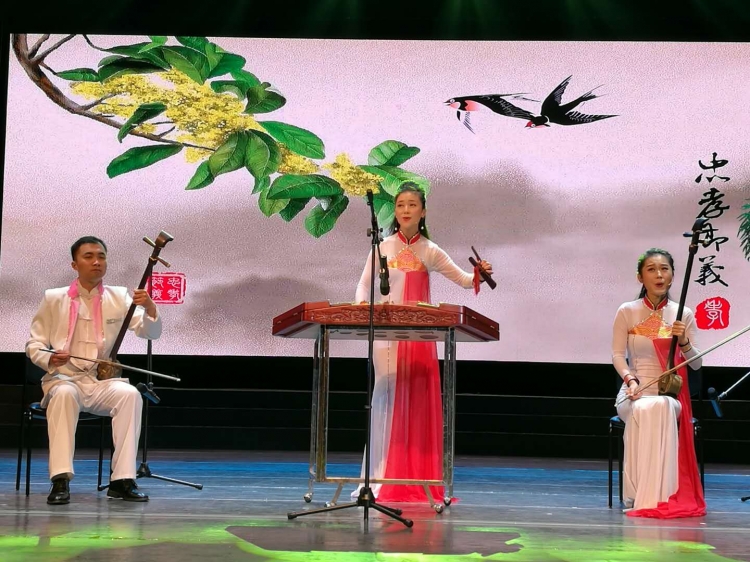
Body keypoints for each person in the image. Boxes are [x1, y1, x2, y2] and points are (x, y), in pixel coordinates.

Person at [351, 182, 493, 503]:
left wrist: (479, 274)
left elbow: (464, 279)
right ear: (395, 211)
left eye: (412, 205)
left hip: (418, 338)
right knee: (385, 400)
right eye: (400, 204)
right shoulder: (382, 247)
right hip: (385, 337)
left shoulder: (430, 250)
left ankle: (413, 477)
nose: (405, 210)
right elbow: (362, 285)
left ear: (423, 211)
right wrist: (362, 309)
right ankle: (376, 479)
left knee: (415, 402)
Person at [25, 236, 162, 505]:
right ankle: (60, 479)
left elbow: (150, 333)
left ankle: (122, 480)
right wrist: (50, 358)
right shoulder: (54, 298)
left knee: (130, 395)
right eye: (88, 257)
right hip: (64, 378)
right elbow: (34, 345)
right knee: (64, 394)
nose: (96, 262)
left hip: (101, 382)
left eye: (101, 256)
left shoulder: (119, 296)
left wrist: (149, 307)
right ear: (74, 264)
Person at [612, 248, 706, 517]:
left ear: (673, 276)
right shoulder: (627, 311)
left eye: (665, 269)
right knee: (644, 407)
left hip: (669, 395)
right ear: (640, 277)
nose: (659, 275)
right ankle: (640, 491)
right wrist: (631, 381)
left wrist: (684, 341)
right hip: (634, 389)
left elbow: (696, 364)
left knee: (660, 406)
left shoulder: (683, 313)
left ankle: (658, 495)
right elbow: (617, 355)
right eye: (651, 269)